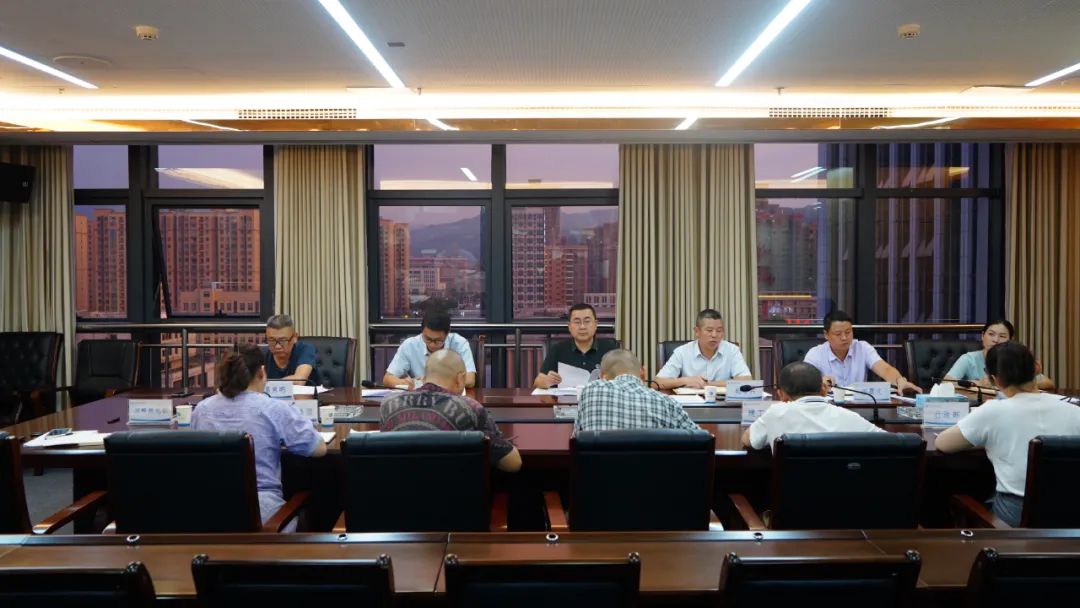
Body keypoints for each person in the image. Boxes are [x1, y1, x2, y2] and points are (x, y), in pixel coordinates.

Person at [936, 342, 1080, 526]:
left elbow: (943, 444)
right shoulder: (1074, 411)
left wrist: (987, 439)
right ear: (1036, 368)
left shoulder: (993, 411)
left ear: (994, 380)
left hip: (1015, 516)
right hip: (1072, 515)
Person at [192, 344, 327, 530]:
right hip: (264, 516)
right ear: (262, 372)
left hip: (209, 514)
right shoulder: (273, 408)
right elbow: (318, 449)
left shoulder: (201, 410)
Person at [380, 350, 520, 472]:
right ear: (460, 379)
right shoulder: (471, 408)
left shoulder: (388, 404)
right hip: (454, 494)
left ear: (423, 378)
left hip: (397, 493)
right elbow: (513, 464)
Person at [741, 362, 883, 451]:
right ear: (824, 390)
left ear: (781, 395)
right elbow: (889, 442)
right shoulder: (848, 417)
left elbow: (748, 440)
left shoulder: (776, 413)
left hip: (792, 492)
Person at [576, 349, 700, 432]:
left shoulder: (589, 392)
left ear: (602, 376)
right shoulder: (667, 403)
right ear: (643, 372)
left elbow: (576, 439)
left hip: (600, 465)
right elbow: (701, 440)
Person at [803, 310, 923, 394]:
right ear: (826, 335)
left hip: (858, 406)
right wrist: (819, 382)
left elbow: (885, 369)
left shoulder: (862, 348)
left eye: (848, 332)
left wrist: (899, 380)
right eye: (838, 334)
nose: (844, 338)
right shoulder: (815, 353)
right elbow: (804, 381)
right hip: (829, 408)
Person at [653, 309, 753, 389]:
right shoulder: (682, 352)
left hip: (723, 403)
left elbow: (746, 381)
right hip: (690, 404)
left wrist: (708, 384)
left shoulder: (732, 350)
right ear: (697, 331)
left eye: (719, 331)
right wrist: (686, 381)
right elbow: (657, 383)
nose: (714, 335)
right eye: (709, 330)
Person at [944, 319, 1056, 390]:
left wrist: (1015, 384)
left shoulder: (1016, 359)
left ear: (1010, 340)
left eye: (1002, 336)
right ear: (982, 336)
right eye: (991, 334)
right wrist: (977, 383)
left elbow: (1049, 383)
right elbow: (946, 383)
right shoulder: (969, 359)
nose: (996, 340)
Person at [383, 310, 477, 389]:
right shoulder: (410, 345)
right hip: (420, 399)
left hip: (451, 398)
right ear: (422, 331)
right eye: (427, 339)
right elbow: (387, 379)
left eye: (438, 340)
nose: (432, 344)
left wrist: (429, 382)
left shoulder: (459, 343)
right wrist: (405, 383)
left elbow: (470, 380)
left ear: (448, 332)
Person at [534, 303, 617, 389]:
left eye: (587, 321)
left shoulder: (610, 350)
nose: (582, 327)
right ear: (569, 326)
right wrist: (546, 381)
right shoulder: (558, 349)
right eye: (577, 322)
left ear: (596, 324)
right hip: (566, 397)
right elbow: (538, 382)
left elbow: (622, 380)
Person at [264, 314, 317, 385]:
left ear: (295, 337)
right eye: (272, 340)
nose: (277, 346)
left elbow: (299, 380)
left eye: (283, 340)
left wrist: (268, 385)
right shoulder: (262, 354)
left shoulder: (305, 349)